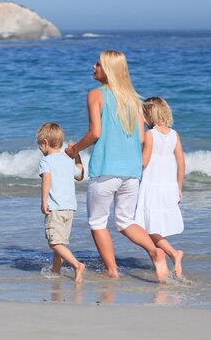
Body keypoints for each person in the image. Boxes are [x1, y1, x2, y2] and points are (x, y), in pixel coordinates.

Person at [65, 50, 168, 282]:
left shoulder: (96, 95)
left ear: (109, 70)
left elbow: (95, 133)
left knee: (97, 222)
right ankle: (155, 251)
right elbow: (141, 139)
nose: (93, 67)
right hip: (131, 172)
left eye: (98, 64)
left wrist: (74, 150)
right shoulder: (134, 99)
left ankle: (112, 272)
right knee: (125, 222)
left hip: (105, 169)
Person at [135, 97, 185, 277]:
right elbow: (181, 164)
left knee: (147, 227)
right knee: (153, 226)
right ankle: (162, 258)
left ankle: (172, 253)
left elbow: (144, 161)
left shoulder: (150, 135)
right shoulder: (174, 134)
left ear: (149, 115)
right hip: (169, 186)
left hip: (151, 185)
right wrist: (179, 188)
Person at [36, 122, 86, 282]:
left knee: (54, 243)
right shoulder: (67, 160)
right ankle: (56, 271)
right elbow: (80, 175)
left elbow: (47, 181)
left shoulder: (46, 161)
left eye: (39, 145)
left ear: (45, 142)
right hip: (70, 209)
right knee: (60, 243)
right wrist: (76, 154)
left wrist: (44, 201)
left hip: (55, 208)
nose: (39, 149)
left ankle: (77, 265)